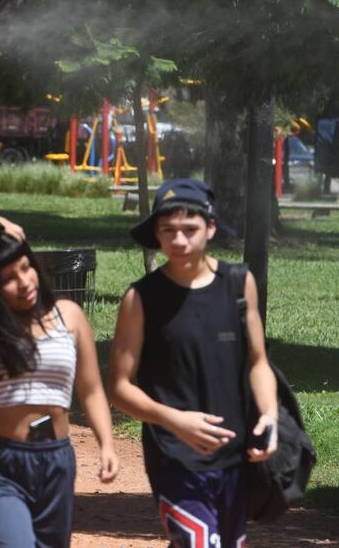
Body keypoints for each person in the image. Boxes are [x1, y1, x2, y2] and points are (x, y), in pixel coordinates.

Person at [0, 211, 118, 548]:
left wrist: (106, 444)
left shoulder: (68, 317)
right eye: (8, 277)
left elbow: (91, 390)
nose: (25, 281)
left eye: (26, 267)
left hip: (56, 461)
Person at [108, 178, 278, 548]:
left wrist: (268, 415)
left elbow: (258, 362)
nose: (179, 241)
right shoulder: (140, 298)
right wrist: (174, 420)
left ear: (211, 228)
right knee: (199, 542)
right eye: (168, 231)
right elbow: (119, 387)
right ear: (156, 232)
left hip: (235, 456)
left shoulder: (238, 283)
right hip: (174, 458)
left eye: (190, 230)